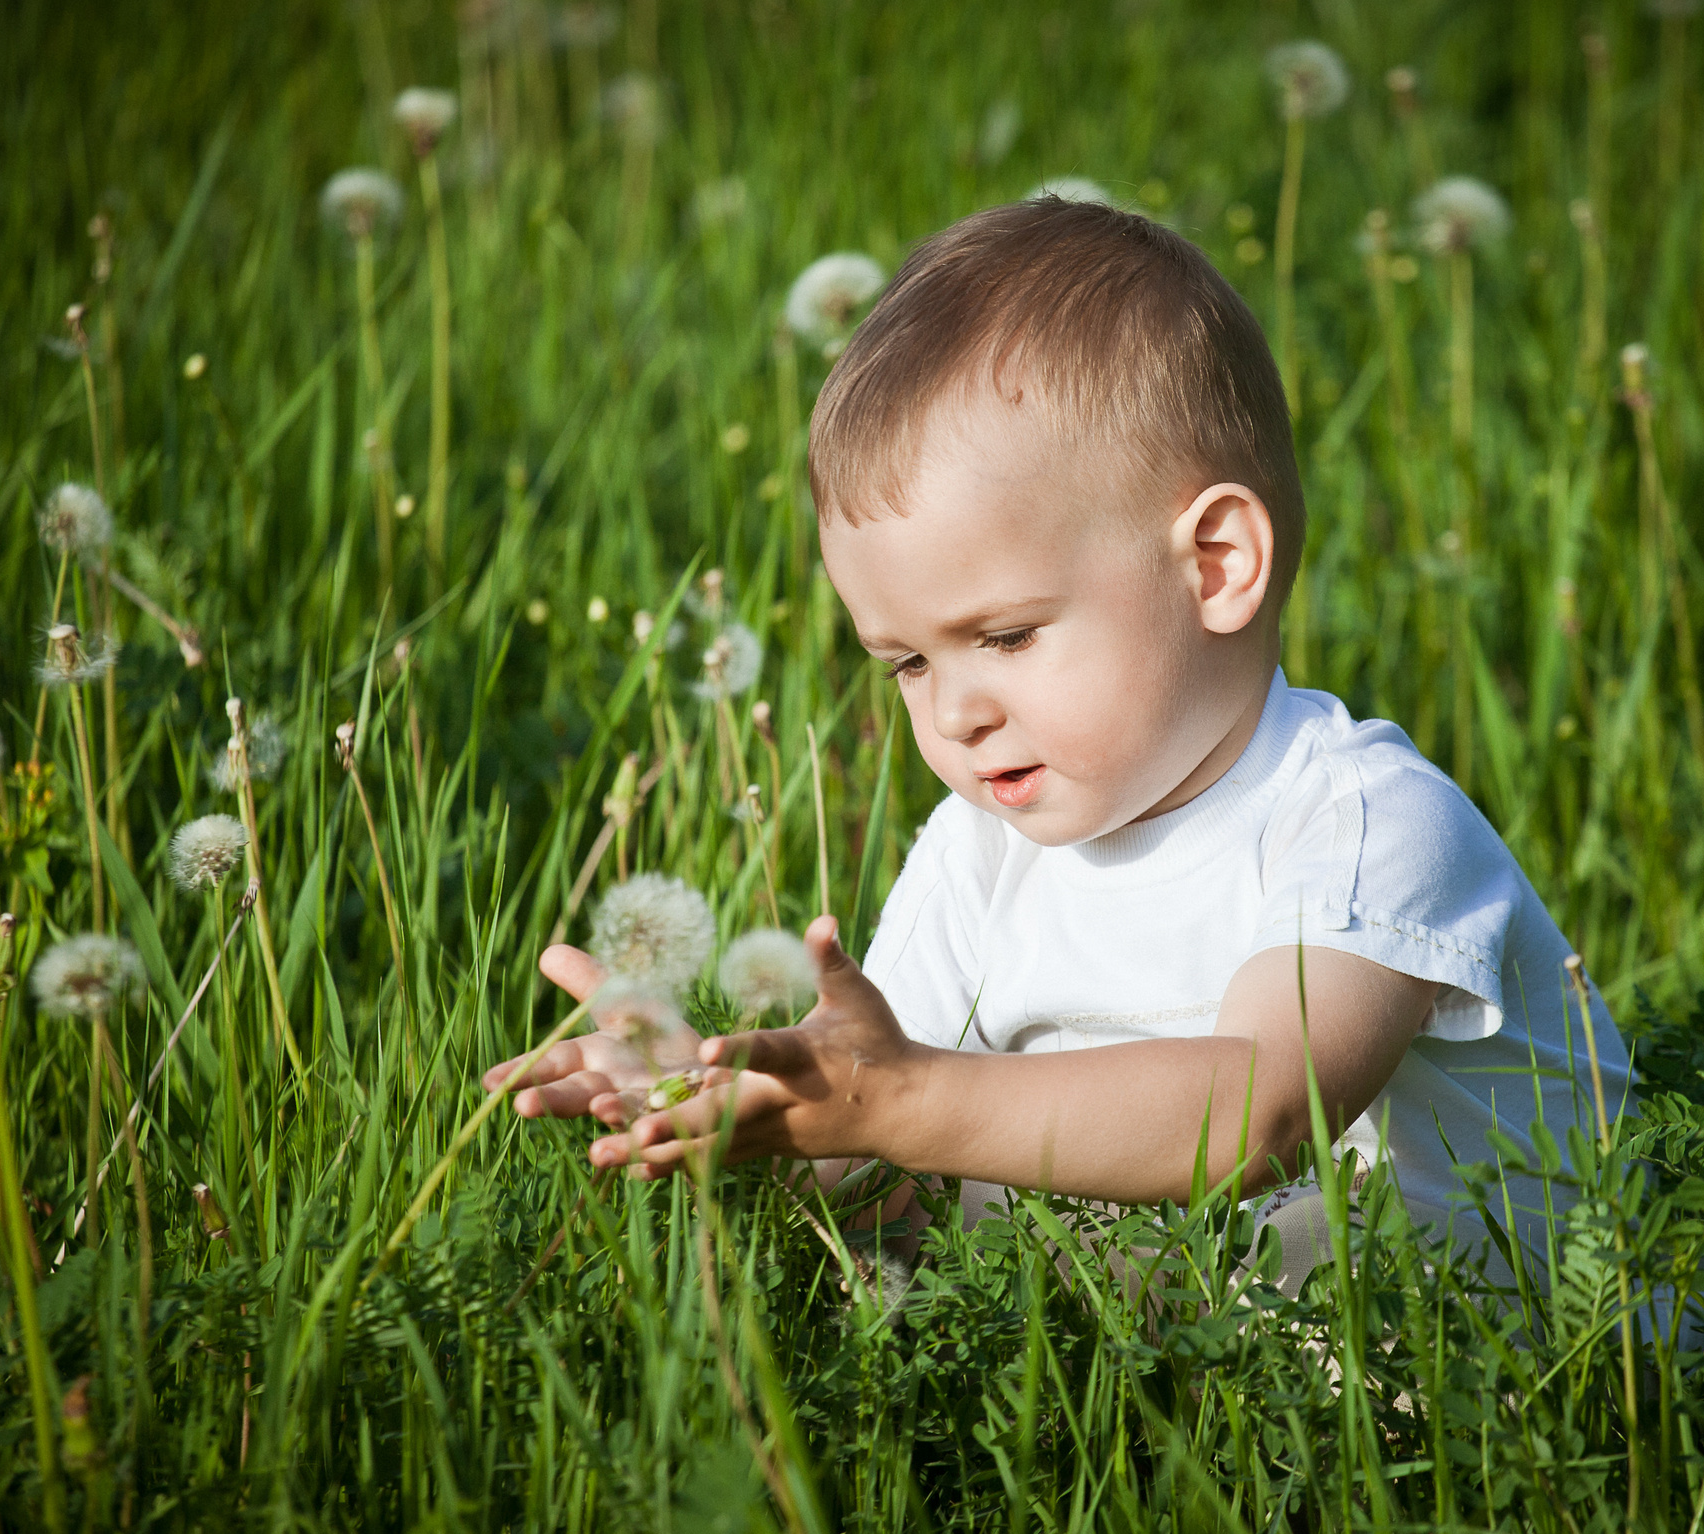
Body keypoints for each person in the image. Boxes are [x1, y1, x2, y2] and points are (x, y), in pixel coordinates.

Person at [486, 196, 1631, 1292]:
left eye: (1007, 635)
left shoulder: (1364, 822)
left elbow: (1258, 1118)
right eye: (909, 662)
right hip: (1164, 1407)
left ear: (1217, 564)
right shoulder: (975, 854)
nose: (955, 712)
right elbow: (888, 1159)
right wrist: (750, 1095)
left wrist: (896, 1105)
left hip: (1480, 1418)